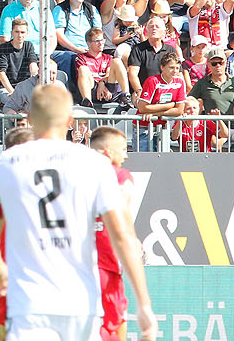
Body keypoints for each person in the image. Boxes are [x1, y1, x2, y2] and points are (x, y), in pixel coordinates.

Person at [0, 84, 156, 341]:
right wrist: (144, 304)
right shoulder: (94, 163)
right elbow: (123, 237)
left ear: (28, 119)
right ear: (70, 120)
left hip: (29, 306)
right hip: (82, 305)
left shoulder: (5, 163)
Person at [89, 125, 136, 341]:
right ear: (108, 152)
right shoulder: (120, 175)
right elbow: (121, 215)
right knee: (116, 322)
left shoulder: (76, 175)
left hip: (78, 263)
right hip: (108, 261)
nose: (126, 155)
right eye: (123, 149)